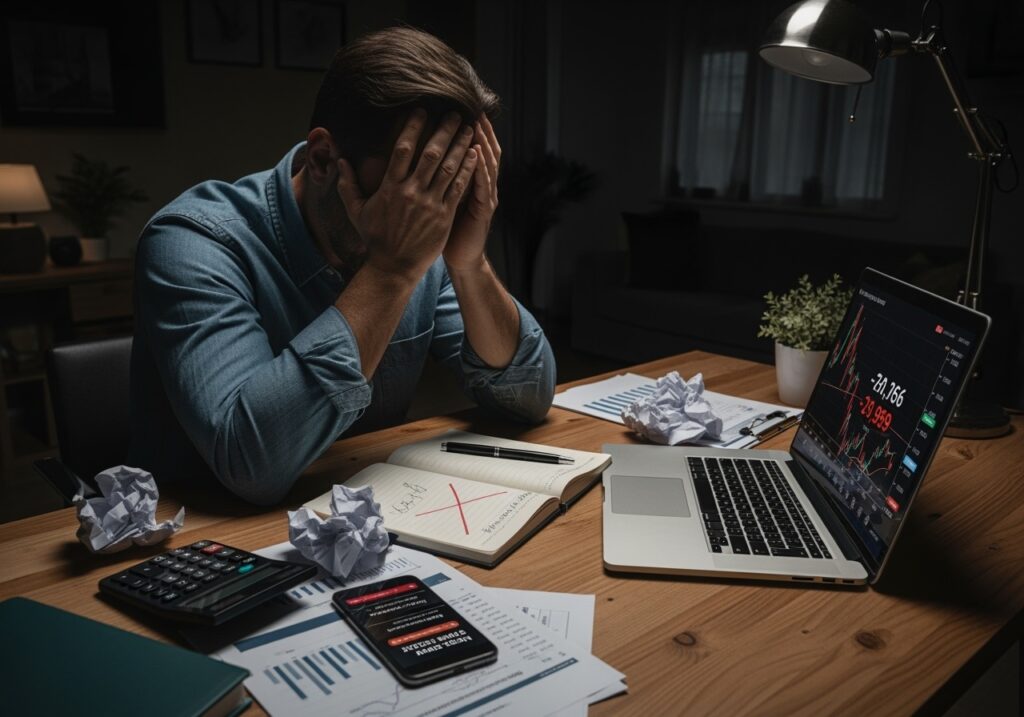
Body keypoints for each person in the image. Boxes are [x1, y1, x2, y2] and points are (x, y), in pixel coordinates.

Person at [128, 27, 556, 505]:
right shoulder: (194, 240)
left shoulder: (429, 231)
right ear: (322, 158)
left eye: (448, 185)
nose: (430, 213)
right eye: (406, 189)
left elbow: (528, 397)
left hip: (367, 516)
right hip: (206, 542)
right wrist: (390, 272)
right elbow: (252, 464)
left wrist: (469, 262)